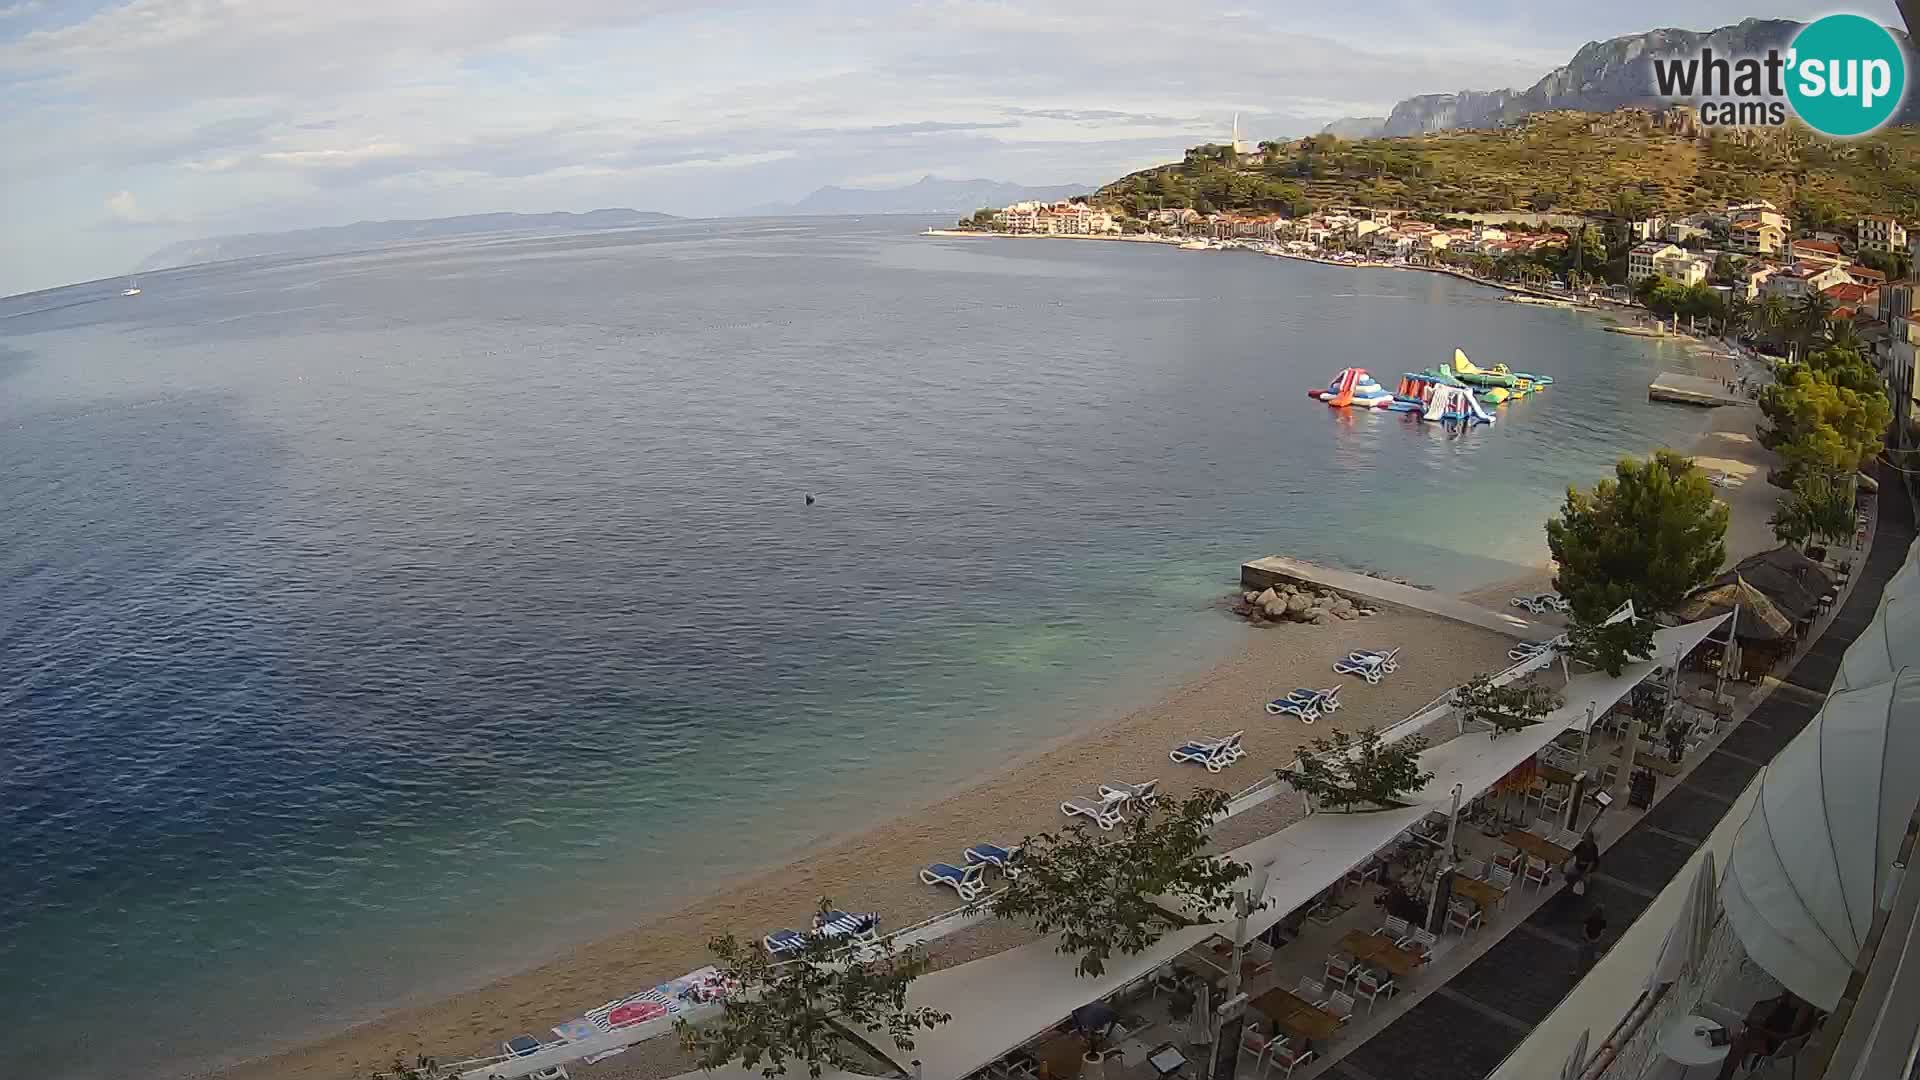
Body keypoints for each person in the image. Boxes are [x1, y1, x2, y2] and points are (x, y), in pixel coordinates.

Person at [1714, 992, 1820, 1079]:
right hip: (1764, 1031)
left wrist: (1763, 1031)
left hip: (1773, 1041)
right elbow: (1773, 1006)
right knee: (1735, 1034)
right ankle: (1711, 1047)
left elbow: (1791, 1035)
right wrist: (1758, 1018)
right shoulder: (1791, 991)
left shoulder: (1806, 1005)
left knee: (1739, 1041)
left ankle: (1724, 1074)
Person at [1578, 905, 1607, 971]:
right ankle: (1586, 968)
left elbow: (1584, 930)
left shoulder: (1592, 919)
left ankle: (1583, 968)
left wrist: (1588, 939)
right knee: (1588, 955)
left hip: (1588, 940)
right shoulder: (1602, 921)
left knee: (1585, 955)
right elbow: (1602, 933)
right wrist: (1594, 940)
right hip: (1591, 941)